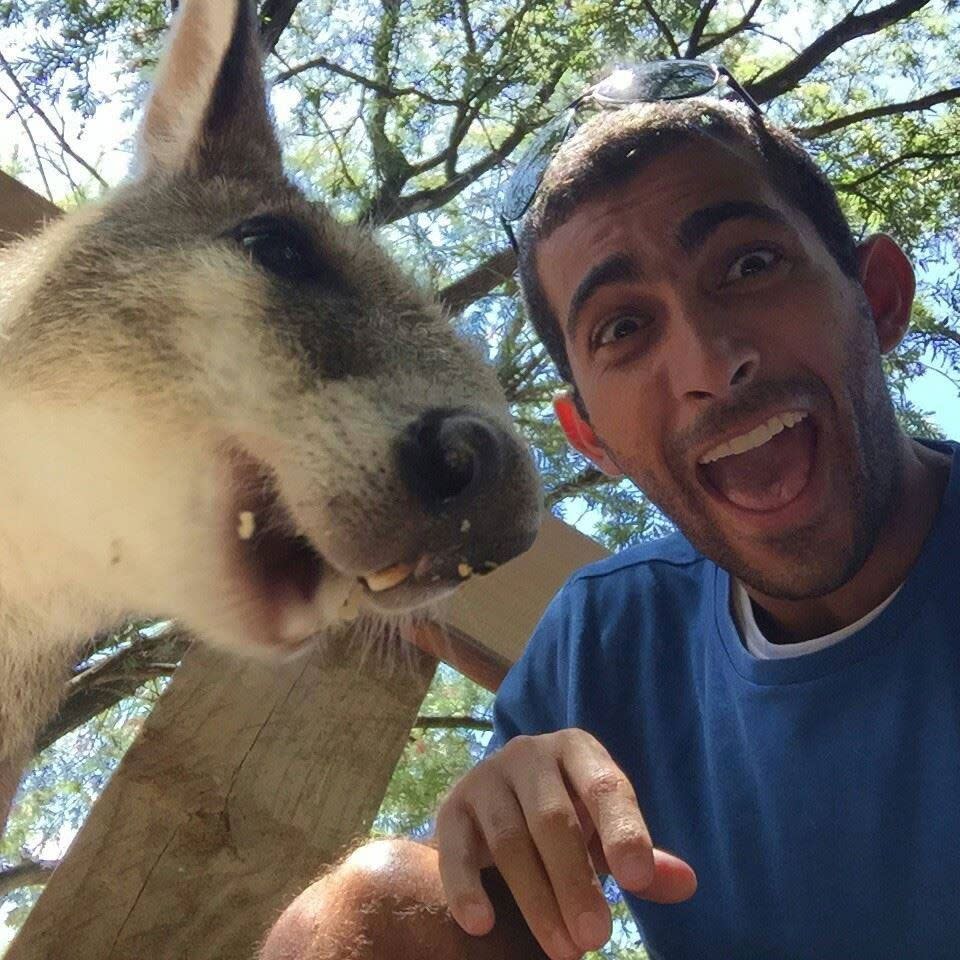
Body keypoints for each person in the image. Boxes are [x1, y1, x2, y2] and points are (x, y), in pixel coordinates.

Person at [261, 64, 960, 960]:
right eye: (623, 327)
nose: (709, 360)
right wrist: (494, 840)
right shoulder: (603, 641)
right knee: (370, 909)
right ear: (588, 436)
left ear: (879, 295)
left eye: (750, 265)